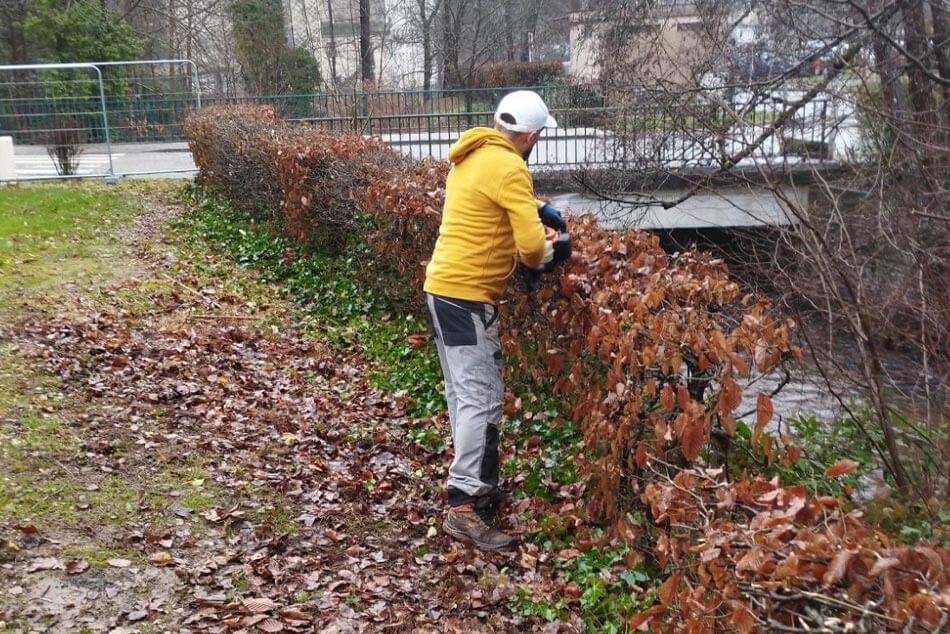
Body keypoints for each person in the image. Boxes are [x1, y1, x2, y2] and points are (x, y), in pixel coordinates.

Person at [423, 90, 569, 550]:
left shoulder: (474, 155)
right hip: (467, 297)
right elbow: (530, 249)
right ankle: (463, 504)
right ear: (529, 136)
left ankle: (475, 482)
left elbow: (497, 205)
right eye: (538, 136)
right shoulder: (510, 166)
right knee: (481, 399)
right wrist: (556, 247)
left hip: (442, 289)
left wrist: (536, 205)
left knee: (464, 394)